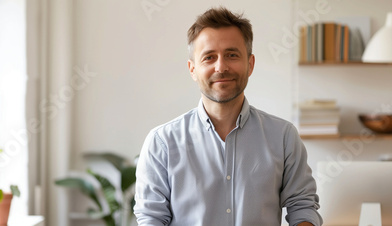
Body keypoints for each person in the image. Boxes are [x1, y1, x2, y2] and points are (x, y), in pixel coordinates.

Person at [134, 7, 323, 226]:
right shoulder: (162, 143)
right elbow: (151, 218)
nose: (221, 67)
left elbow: (303, 207)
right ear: (192, 69)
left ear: (250, 64)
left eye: (232, 55)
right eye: (209, 57)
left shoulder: (283, 137)